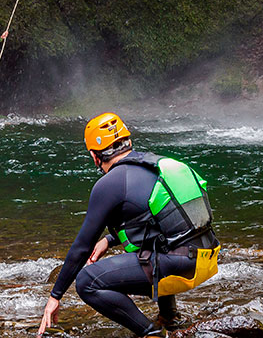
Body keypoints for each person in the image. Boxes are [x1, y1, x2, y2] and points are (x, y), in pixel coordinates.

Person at [37, 113, 219, 337]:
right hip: (206, 259)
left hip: (180, 266)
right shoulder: (155, 164)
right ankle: (169, 318)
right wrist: (108, 240)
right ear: (128, 143)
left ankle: (151, 333)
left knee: (87, 281)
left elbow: (82, 247)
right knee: (158, 248)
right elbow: (159, 222)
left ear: (95, 156)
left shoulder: (110, 183)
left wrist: (55, 296)